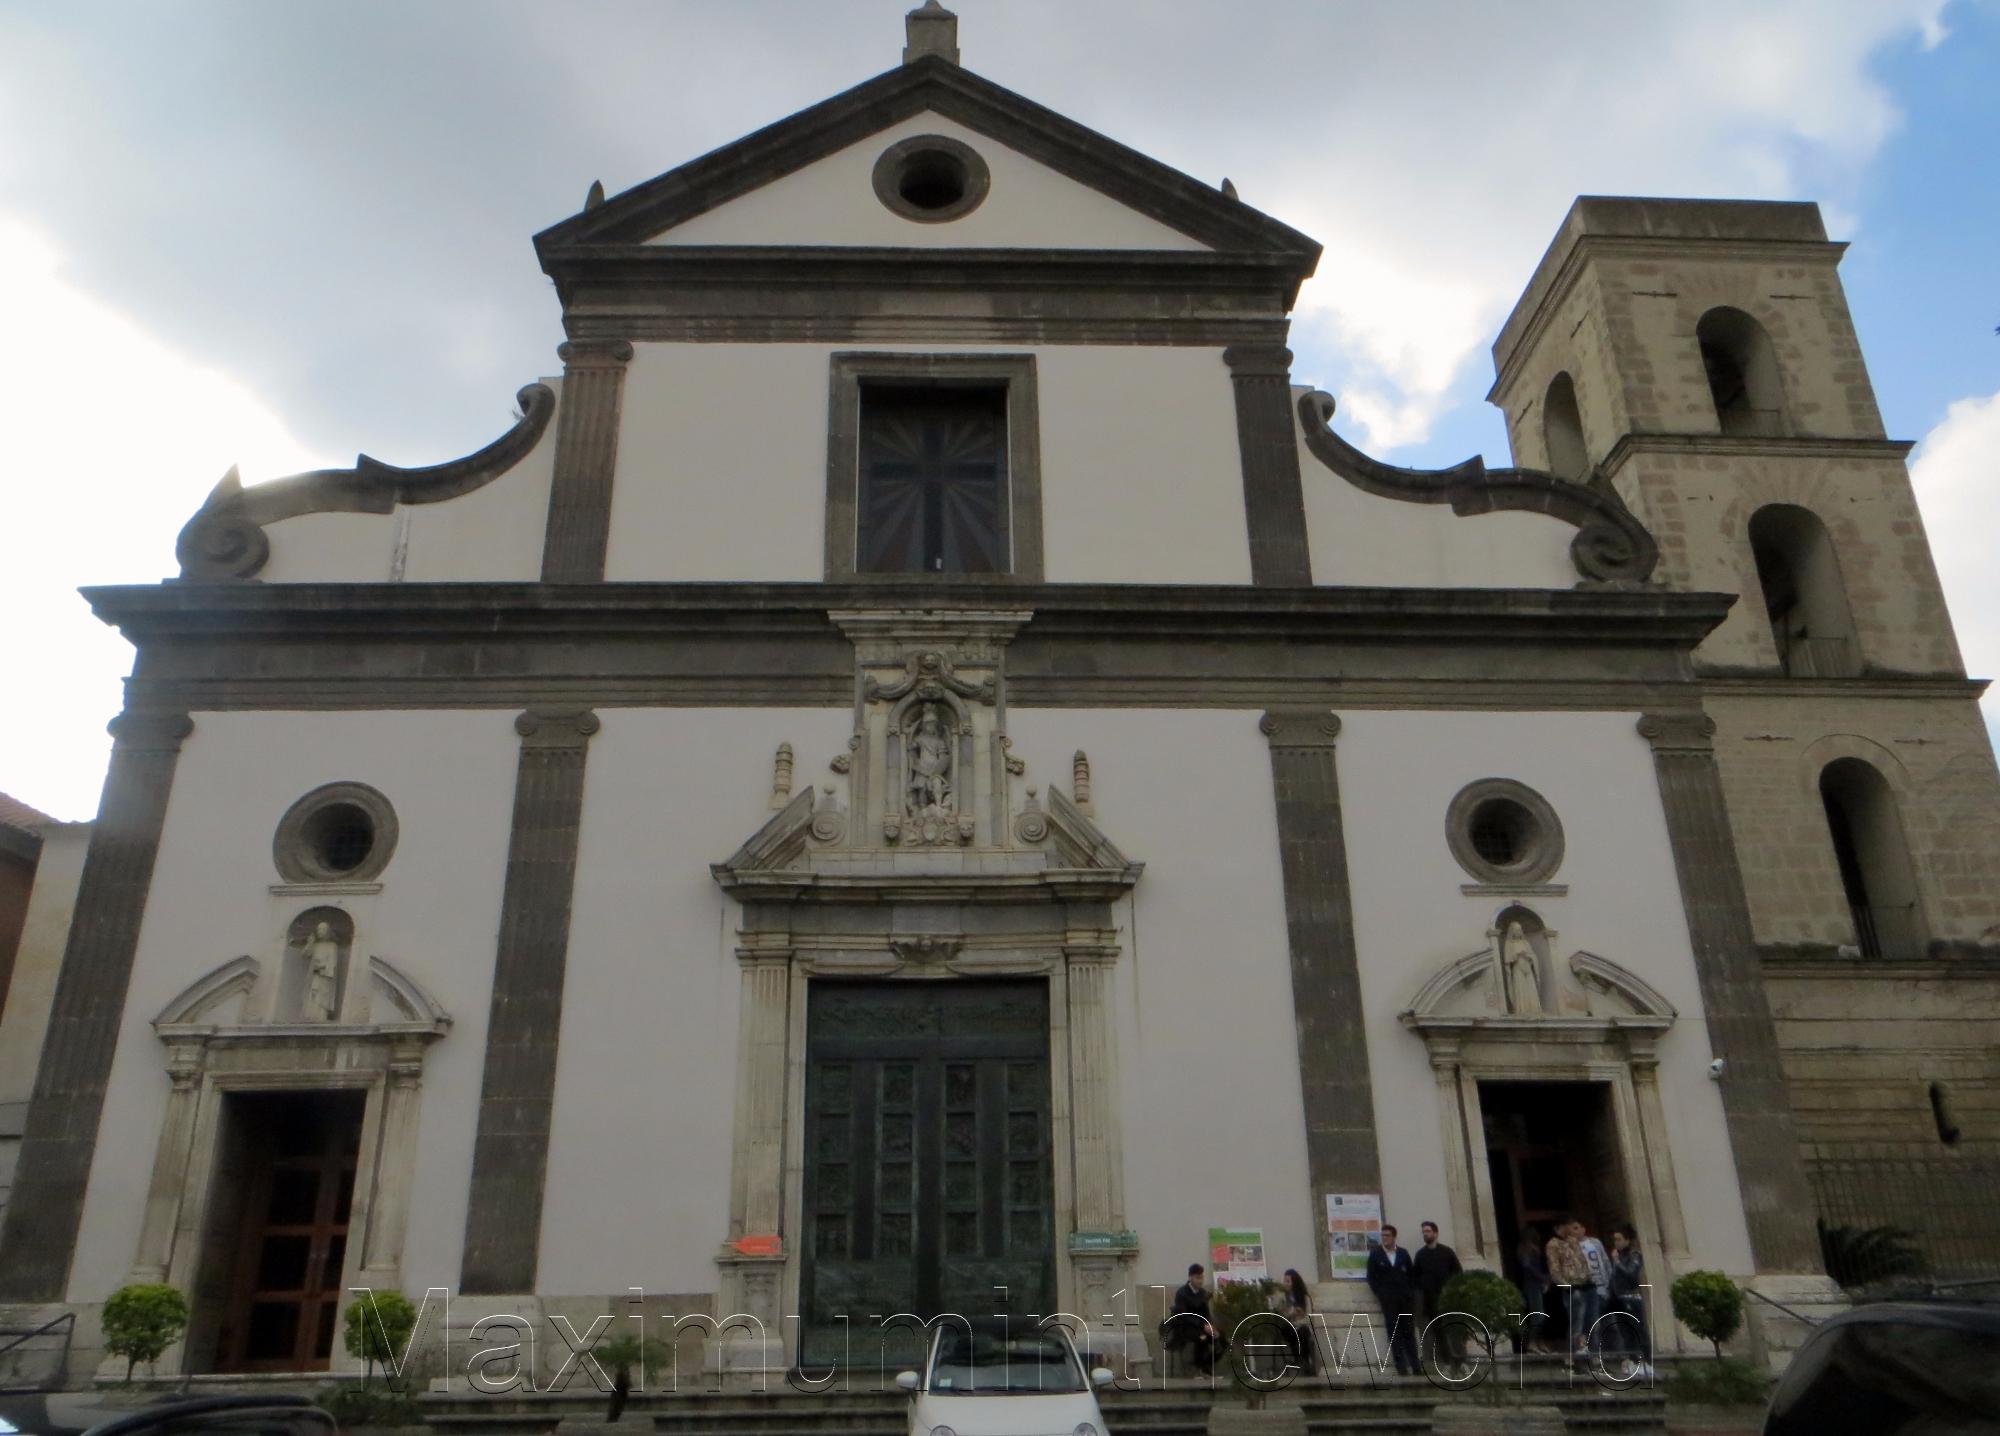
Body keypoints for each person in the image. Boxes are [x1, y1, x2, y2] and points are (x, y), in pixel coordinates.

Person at [1365, 1224, 1421, 1376]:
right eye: (1383, 1236)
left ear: (1394, 1237)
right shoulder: (1376, 1255)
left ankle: (1415, 1364)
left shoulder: (1403, 1253)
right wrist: (1381, 1293)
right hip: (1388, 1300)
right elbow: (1371, 1277)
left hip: (1405, 1299)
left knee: (1408, 1331)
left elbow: (1411, 1274)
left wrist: (1410, 1292)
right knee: (1394, 1332)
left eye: (1387, 1235)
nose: (1384, 1238)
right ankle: (1400, 1366)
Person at [1412, 1221, 1464, 1367]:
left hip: (1448, 1299)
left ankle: (1459, 1357)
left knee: (1452, 1328)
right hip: (1431, 1300)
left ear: (1435, 1233)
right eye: (1423, 1232)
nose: (1425, 1234)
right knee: (1438, 1332)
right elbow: (1415, 1277)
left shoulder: (1447, 1252)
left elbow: (1457, 1272)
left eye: (1428, 1231)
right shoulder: (1420, 1255)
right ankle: (1447, 1359)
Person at [1607, 1226, 1653, 1378]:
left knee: (1637, 1330)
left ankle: (1645, 1361)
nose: (1616, 1242)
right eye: (1615, 1239)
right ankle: (1632, 1360)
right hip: (1619, 1298)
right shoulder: (1618, 1256)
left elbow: (1631, 1274)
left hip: (1631, 1297)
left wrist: (1617, 1262)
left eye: (1619, 1239)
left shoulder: (1634, 1255)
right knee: (1625, 1332)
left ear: (1627, 1240)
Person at [1544, 1216, 1591, 1359]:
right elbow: (1554, 1269)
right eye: (1568, 1225)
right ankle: (1574, 1356)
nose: (1571, 1228)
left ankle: (1583, 1352)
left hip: (1583, 1286)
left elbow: (1582, 1261)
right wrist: (1566, 1285)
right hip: (1570, 1288)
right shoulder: (1553, 1244)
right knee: (1575, 1324)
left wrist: (1585, 1277)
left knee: (1585, 1322)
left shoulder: (1572, 1241)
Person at [1165, 1262, 1220, 1374]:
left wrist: (1209, 1325)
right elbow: (1183, 1315)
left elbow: (1206, 1312)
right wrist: (1202, 1325)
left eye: (1202, 1278)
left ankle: (1205, 1364)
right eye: (1198, 1278)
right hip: (1185, 1328)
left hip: (1201, 1327)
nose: (1200, 1281)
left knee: (1220, 1339)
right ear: (1190, 1278)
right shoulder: (1182, 1293)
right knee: (1202, 1337)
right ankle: (1201, 1367)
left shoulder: (1203, 1293)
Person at [1577, 1220, 1612, 1360]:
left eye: (1577, 1227)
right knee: (1592, 1323)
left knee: (1604, 1322)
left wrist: (1608, 1284)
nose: (1575, 1231)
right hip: (1587, 1290)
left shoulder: (1595, 1243)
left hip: (1601, 1288)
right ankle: (1593, 1354)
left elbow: (1604, 1261)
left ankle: (1605, 1352)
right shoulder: (1573, 1247)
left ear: (1583, 1229)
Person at [1272, 1267, 1316, 1374]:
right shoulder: (1284, 1297)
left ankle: (1303, 1360)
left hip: (1302, 1326)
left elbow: (1309, 1318)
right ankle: (1300, 1359)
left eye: (1288, 1281)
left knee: (1303, 1331)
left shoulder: (1304, 1297)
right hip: (1290, 1327)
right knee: (1288, 1329)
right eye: (1285, 1281)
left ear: (1294, 1282)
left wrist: (1299, 1318)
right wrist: (1292, 1313)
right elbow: (1281, 1314)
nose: (1285, 1284)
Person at [1515, 1225, 1551, 1353]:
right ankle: (1532, 1341)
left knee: (1540, 1314)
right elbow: (1528, 1266)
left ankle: (1538, 1341)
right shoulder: (1527, 1249)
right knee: (1538, 1315)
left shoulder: (1528, 1248)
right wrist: (1543, 1278)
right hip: (1532, 1284)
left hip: (1534, 1284)